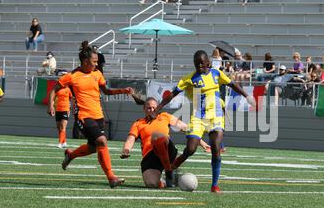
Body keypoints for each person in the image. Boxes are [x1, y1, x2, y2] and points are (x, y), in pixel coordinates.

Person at [149, 50, 256, 193]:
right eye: (196, 63)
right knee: (190, 149)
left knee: (216, 150)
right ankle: (171, 169)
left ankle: (214, 185)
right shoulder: (190, 79)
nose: (199, 66)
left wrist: (247, 96)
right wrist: (158, 109)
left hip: (216, 116)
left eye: (201, 63)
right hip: (198, 117)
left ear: (208, 63)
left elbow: (232, 84)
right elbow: (172, 95)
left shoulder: (217, 74)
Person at [47, 41, 134, 188]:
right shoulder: (72, 76)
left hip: (98, 115)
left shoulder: (97, 73)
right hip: (83, 116)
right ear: (85, 61)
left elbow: (105, 91)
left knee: (93, 147)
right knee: (101, 140)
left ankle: (71, 155)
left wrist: (123, 90)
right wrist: (51, 105)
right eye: (94, 62)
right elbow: (54, 90)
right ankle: (111, 177)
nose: (96, 64)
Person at [121, 97, 209, 188]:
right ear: (144, 109)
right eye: (149, 108)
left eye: (154, 108)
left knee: (157, 136)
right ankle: (165, 182)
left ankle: (168, 171)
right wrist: (126, 150)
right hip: (150, 155)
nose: (152, 110)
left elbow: (185, 128)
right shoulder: (138, 123)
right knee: (151, 184)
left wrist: (201, 142)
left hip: (167, 149)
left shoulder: (165, 116)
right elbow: (130, 139)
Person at [50, 79, 72, 149]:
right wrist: (52, 107)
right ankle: (64, 142)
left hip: (65, 109)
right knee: (59, 127)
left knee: (63, 126)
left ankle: (60, 143)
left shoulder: (68, 90)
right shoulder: (57, 90)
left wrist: (71, 109)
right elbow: (53, 99)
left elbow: (71, 99)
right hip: (58, 110)